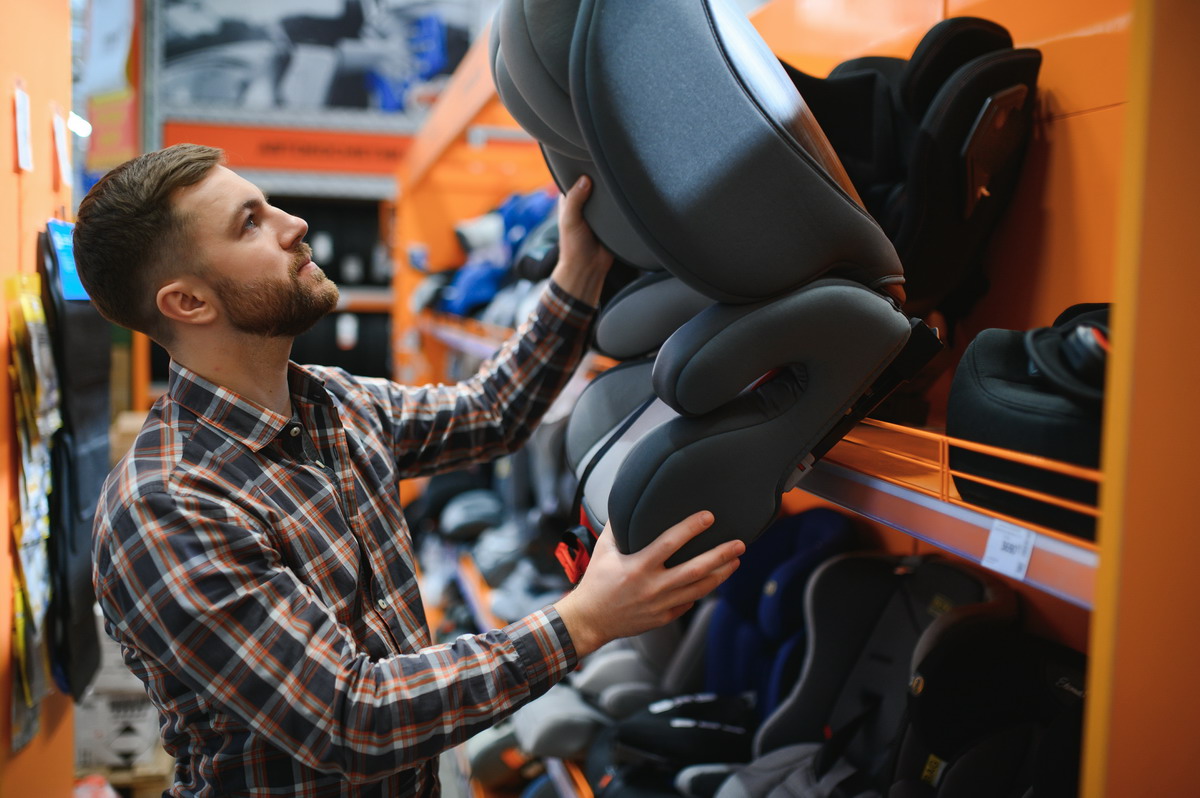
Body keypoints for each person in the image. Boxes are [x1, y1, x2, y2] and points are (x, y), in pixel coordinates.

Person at [73, 143, 744, 797]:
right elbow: (349, 719)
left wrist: (578, 272)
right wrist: (583, 622)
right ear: (187, 304)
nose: (294, 224)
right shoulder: (169, 507)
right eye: (250, 223)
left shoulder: (332, 402)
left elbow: (492, 413)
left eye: (266, 205)